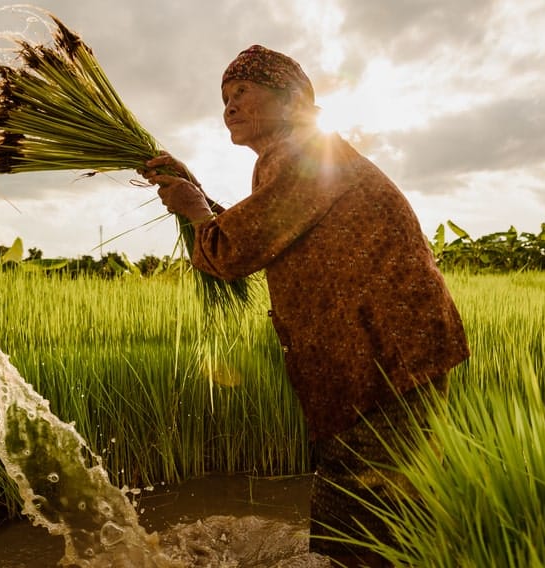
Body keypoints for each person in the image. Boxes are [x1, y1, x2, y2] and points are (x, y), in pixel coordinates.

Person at [141, 45, 470, 567]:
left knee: (367, 504)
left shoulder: (303, 153)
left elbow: (234, 249)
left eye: (242, 91)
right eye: (224, 97)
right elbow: (262, 231)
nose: (228, 106)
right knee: (378, 503)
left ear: (291, 99)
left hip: (387, 356)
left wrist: (197, 210)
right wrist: (198, 198)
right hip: (387, 355)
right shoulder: (298, 156)